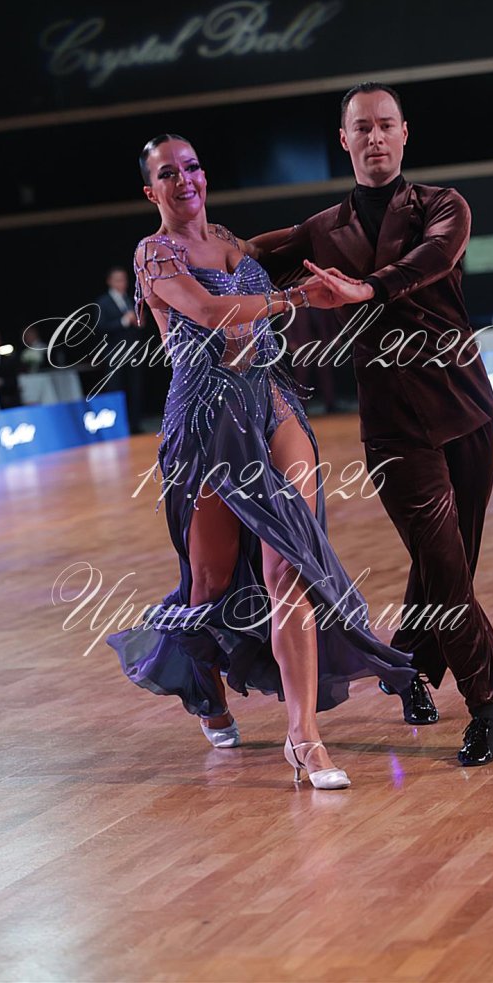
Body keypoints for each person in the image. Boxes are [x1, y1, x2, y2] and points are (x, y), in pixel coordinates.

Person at [105, 133, 416, 789]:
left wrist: (342, 261)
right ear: (150, 190)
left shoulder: (233, 242)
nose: (185, 179)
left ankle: (304, 738)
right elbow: (211, 311)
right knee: (209, 582)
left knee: (291, 563)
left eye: (192, 166)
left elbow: (301, 245)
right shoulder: (153, 253)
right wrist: (296, 299)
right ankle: (207, 693)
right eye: (168, 172)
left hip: (273, 403)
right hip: (206, 423)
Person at [256, 83, 493, 766]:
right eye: (362, 127)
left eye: (385, 125)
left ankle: (406, 664)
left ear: (405, 133)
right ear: (343, 140)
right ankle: (488, 706)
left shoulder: (443, 206)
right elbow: (243, 260)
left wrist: (366, 288)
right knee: (445, 566)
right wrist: (174, 261)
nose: (374, 137)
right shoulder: (320, 230)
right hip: (394, 428)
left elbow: (433, 260)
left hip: (465, 409)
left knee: (448, 563)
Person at [95, 267, 147, 434]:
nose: (122, 283)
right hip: (114, 353)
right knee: (116, 388)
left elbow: (139, 323)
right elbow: (100, 327)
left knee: (135, 388)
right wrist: (123, 321)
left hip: (133, 352)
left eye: (124, 279)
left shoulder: (130, 299)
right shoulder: (103, 302)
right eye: (118, 279)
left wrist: (139, 322)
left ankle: (134, 425)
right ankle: (118, 426)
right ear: (110, 281)